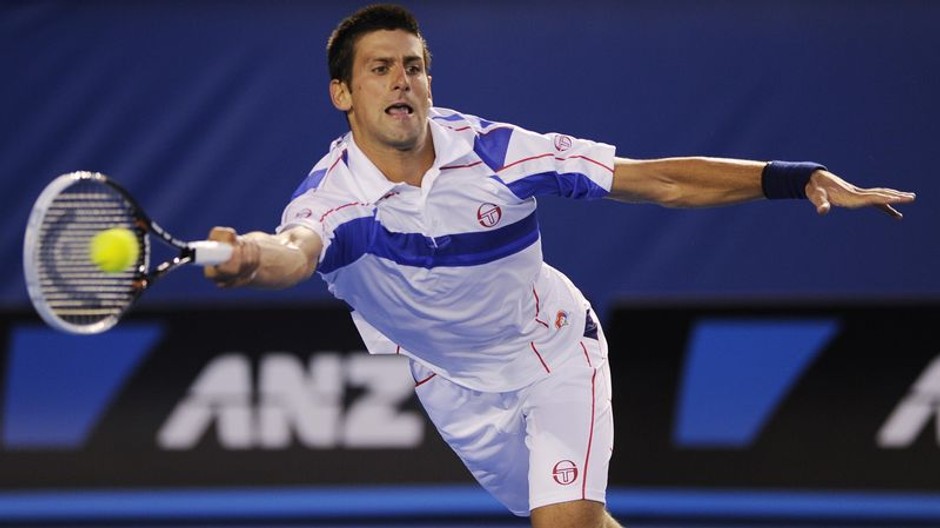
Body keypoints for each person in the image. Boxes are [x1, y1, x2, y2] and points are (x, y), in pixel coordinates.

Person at [204, 5, 915, 527]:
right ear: (342, 93)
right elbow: (294, 250)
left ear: (429, 81)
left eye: (414, 67)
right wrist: (249, 260)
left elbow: (657, 180)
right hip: (451, 386)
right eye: (380, 69)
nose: (402, 82)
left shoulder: (497, 154)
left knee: (566, 522)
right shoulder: (335, 200)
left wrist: (794, 177)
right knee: (581, 519)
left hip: (553, 351)